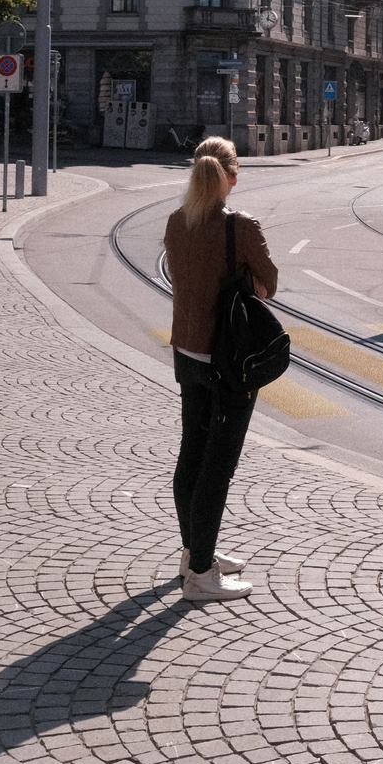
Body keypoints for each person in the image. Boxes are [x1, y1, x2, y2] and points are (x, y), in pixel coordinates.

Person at [164, 137, 279, 602]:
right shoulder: (241, 226)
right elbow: (269, 285)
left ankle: (195, 551)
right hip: (228, 360)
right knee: (218, 466)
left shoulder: (176, 221)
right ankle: (200, 576)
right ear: (232, 176)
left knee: (192, 453)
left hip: (186, 352)